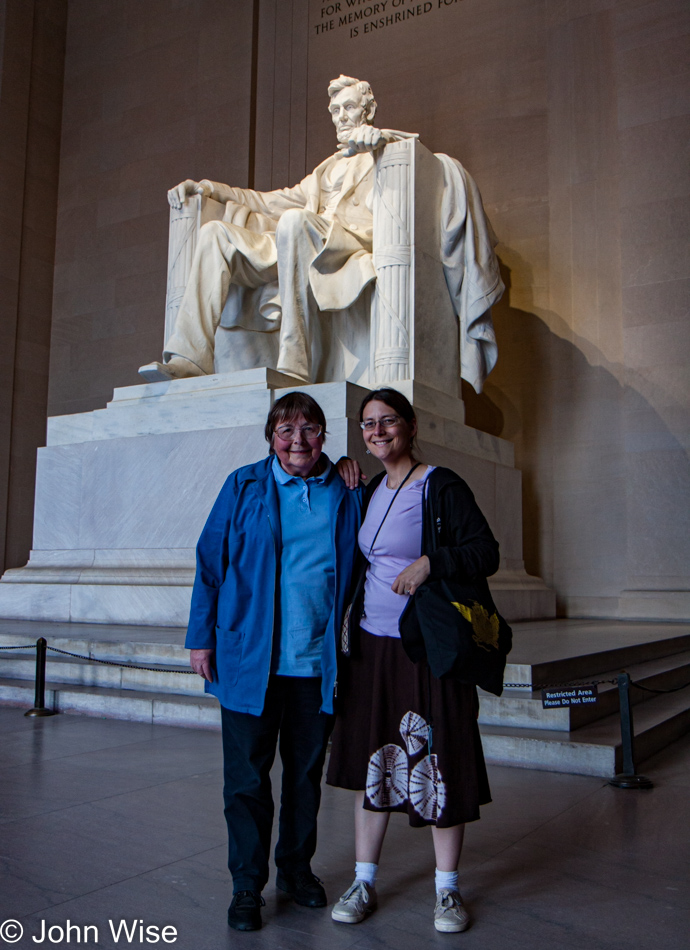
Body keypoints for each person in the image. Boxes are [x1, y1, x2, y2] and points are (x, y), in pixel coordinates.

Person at [139, 75, 503, 393]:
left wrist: (378, 145)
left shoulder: (388, 149)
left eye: (349, 108)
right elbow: (268, 201)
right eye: (336, 112)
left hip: (345, 246)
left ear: (368, 109)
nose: (342, 117)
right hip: (296, 242)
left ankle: (295, 365)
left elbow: (412, 163)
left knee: (296, 223)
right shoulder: (325, 170)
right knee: (216, 233)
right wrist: (209, 189)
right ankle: (189, 359)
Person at [185, 391, 361, 932]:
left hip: (316, 664)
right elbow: (209, 563)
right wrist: (201, 638)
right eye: (286, 430)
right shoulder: (243, 485)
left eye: (309, 429)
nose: (298, 441)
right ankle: (246, 885)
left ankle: (294, 870)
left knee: (305, 778)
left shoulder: (347, 489)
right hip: (248, 661)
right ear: (271, 436)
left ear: (324, 436)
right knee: (246, 780)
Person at [326, 387, 499, 934]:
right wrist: (345, 468)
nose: (379, 431)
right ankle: (364, 877)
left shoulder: (440, 485)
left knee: (438, 761)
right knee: (374, 761)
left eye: (389, 421)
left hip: (425, 648)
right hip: (372, 647)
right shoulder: (372, 486)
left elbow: (485, 551)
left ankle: (447, 890)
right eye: (369, 424)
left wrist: (431, 561)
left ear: (412, 425)